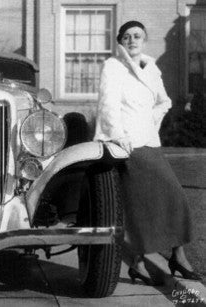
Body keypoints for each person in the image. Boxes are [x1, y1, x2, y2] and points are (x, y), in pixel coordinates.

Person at [94, 20, 201, 285]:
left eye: (137, 36)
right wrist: (120, 136)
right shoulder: (113, 67)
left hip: (148, 142)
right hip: (124, 144)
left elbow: (163, 101)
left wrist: (150, 122)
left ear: (144, 40)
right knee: (139, 205)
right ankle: (143, 262)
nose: (132, 40)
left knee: (173, 197)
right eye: (127, 36)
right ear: (120, 41)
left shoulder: (151, 68)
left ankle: (173, 256)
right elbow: (107, 105)